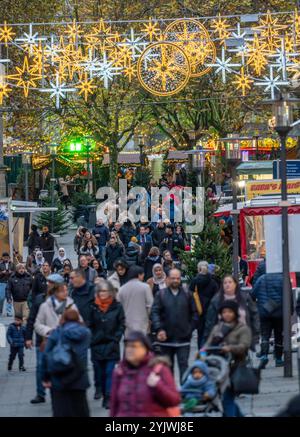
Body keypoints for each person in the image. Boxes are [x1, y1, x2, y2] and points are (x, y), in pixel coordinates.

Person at [110, 331, 180, 417]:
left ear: (145, 349)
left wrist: (158, 385)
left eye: (134, 346)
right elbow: (114, 406)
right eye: (128, 346)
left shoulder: (158, 369)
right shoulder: (120, 372)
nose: (130, 350)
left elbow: (174, 400)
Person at [204, 300, 252, 417]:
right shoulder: (217, 328)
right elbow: (207, 344)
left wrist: (230, 348)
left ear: (235, 313)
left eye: (230, 312)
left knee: (226, 398)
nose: (227, 314)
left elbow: (244, 346)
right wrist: (201, 353)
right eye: (224, 312)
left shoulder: (242, 328)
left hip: (235, 368)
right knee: (227, 399)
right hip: (218, 369)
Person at [150, 268, 198, 381]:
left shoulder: (188, 294)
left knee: (184, 368)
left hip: (183, 339)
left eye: (177, 278)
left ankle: (184, 394)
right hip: (166, 338)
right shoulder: (161, 295)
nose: (175, 280)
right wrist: (159, 329)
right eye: (173, 278)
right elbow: (155, 312)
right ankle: (170, 394)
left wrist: (190, 329)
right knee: (167, 369)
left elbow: (195, 314)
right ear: (168, 279)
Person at [42, 309, 91, 417]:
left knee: (61, 410)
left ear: (63, 319)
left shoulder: (57, 333)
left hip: (59, 377)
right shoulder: (86, 333)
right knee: (81, 410)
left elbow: (46, 355)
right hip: (79, 376)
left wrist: (45, 377)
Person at [26, 274, 66, 404]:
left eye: (52, 283)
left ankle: (60, 391)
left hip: (60, 340)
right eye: (49, 283)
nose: (49, 285)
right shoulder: (39, 300)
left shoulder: (65, 301)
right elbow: (32, 319)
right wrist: (28, 337)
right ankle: (40, 393)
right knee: (41, 367)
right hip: (42, 340)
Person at [88, 280, 125, 407]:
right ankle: (102, 390)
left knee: (110, 372)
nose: (102, 293)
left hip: (111, 344)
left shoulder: (117, 306)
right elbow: (89, 324)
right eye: (100, 291)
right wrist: (92, 338)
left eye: (105, 291)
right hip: (97, 344)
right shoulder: (93, 306)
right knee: (99, 373)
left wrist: (116, 337)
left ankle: (108, 396)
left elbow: (121, 324)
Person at [204, 275, 260, 349]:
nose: (227, 284)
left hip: (242, 336)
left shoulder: (244, 297)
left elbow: (254, 315)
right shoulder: (216, 300)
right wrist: (209, 337)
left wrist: (255, 334)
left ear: (235, 284)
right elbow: (210, 320)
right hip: (222, 338)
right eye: (225, 283)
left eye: (230, 282)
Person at [252, 272, 289, 369]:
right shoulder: (283, 278)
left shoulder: (261, 278)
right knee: (278, 335)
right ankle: (278, 359)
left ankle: (264, 355)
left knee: (265, 335)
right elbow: (288, 295)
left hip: (264, 311)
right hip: (279, 312)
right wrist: (290, 310)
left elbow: (253, 294)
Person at [189, 261, 219, 348]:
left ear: (198, 269)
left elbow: (190, 296)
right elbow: (217, 298)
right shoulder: (213, 282)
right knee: (210, 334)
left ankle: (201, 353)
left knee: (200, 334)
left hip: (198, 311)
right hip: (211, 312)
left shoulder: (194, 281)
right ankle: (209, 353)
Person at [118, 266, 153, 337]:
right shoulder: (145, 287)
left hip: (127, 324)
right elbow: (150, 306)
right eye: (143, 275)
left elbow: (118, 307)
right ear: (139, 275)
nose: (143, 277)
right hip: (142, 323)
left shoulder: (122, 289)